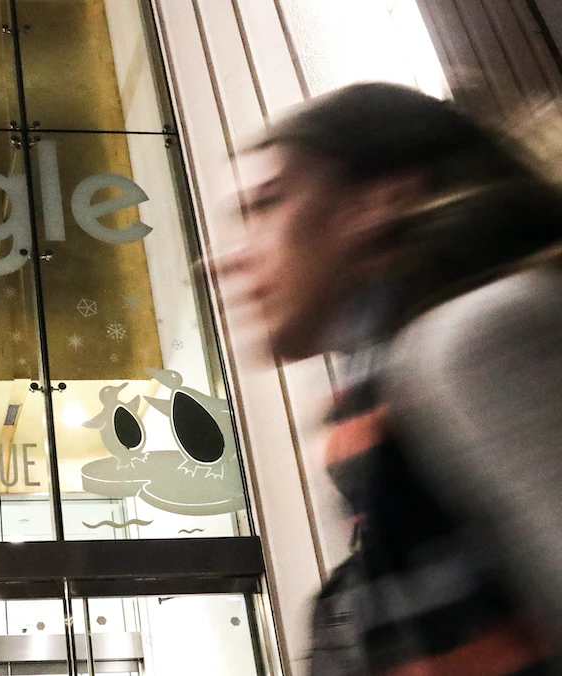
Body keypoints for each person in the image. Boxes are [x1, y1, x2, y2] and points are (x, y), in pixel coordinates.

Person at [226, 83, 562, 675]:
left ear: (381, 201)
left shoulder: (474, 340)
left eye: (267, 204)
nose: (225, 259)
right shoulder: (384, 411)